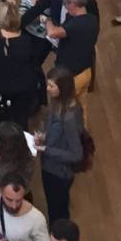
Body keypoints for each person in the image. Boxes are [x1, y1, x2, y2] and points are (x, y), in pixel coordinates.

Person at [38, 69, 86, 224]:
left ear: (62, 88)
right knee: (53, 205)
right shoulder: (58, 103)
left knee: (57, 211)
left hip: (58, 173)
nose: (47, 89)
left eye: (51, 86)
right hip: (49, 166)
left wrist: (47, 149)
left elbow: (76, 154)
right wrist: (44, 136)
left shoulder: (69, 117)